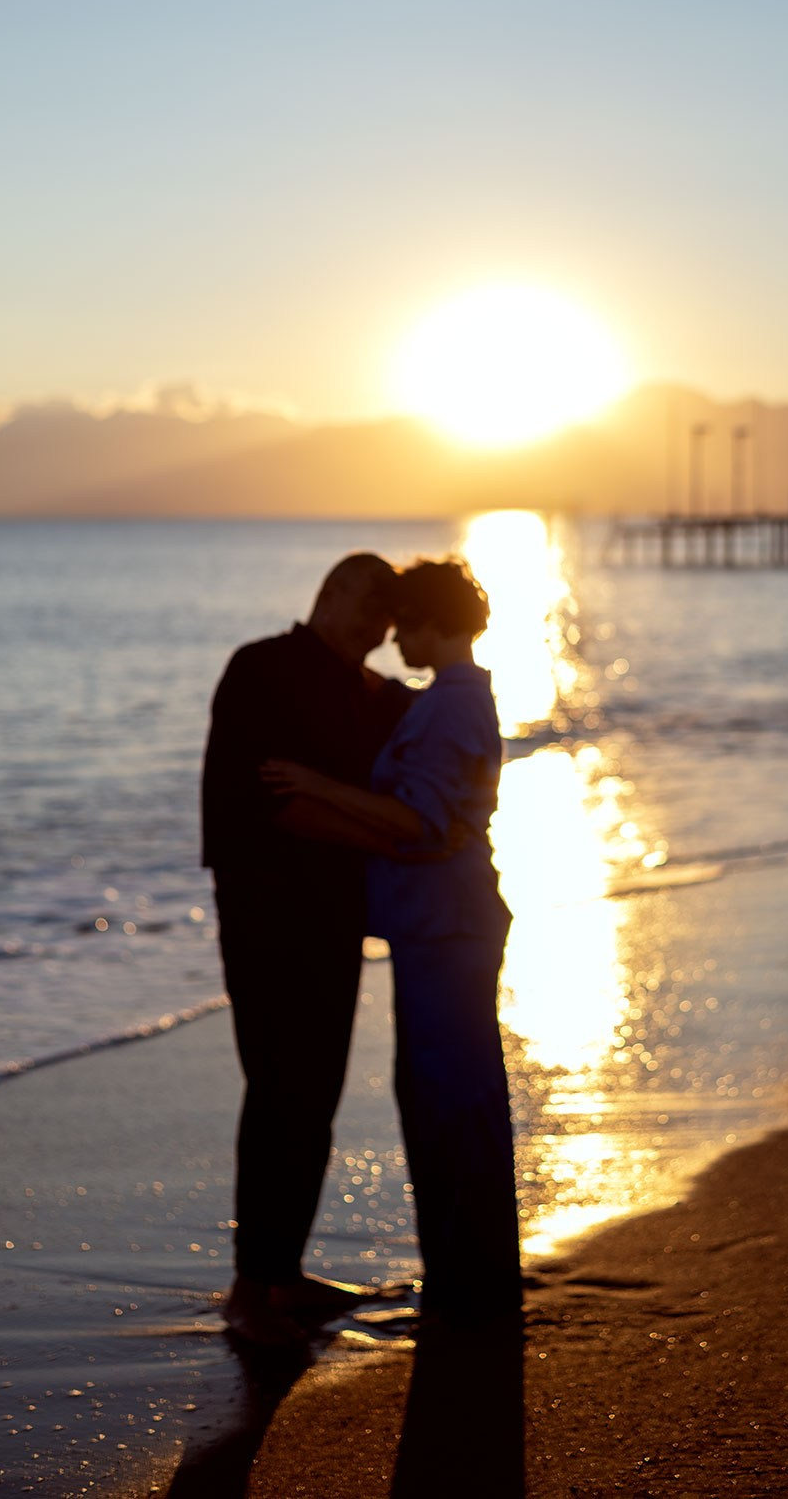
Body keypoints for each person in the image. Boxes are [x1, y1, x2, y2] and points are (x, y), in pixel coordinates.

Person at [262, 557, 521, 1326]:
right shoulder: (456, 699)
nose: (393, 638)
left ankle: (471, 1286)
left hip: (447, 925)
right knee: (447, 1096)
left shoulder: (450, 706)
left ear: (435, 624)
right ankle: (468, 1279)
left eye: (405, 623)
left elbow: (427, 821)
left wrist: (315, 786)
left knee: (452, 1099)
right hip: (439, 922)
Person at [201, 552, 413, 1345]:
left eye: (387, 615)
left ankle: (283, 1273)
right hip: (262, 909)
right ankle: (250, 1288)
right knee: (278, 1085)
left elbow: (434, 743)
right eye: (364, 604)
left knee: (317, 1091)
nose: (375, 623)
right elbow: (274, 805)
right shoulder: (262, 668)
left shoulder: (377, 695)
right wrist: (394, 839)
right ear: (328, 595)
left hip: (335, 913)